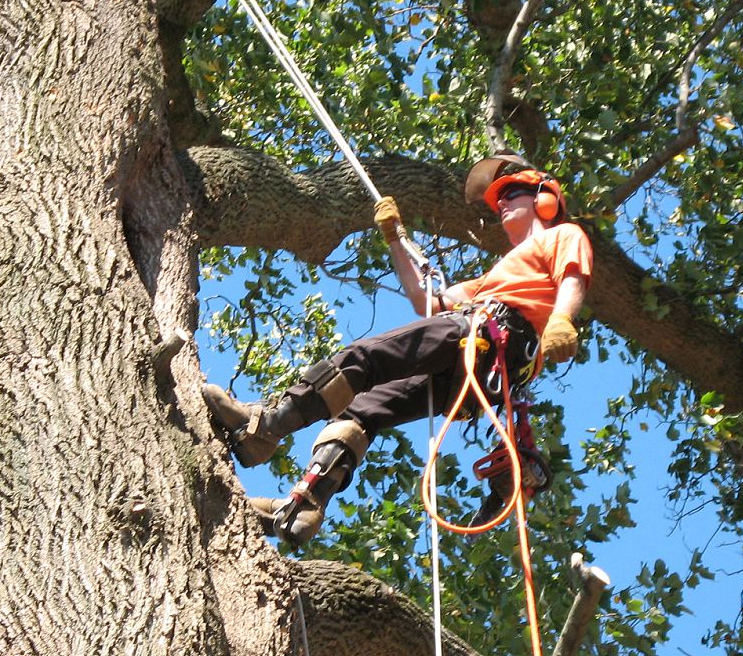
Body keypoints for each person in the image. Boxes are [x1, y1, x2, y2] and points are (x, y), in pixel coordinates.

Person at [204, 153, 593, 545]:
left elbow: (571, 278)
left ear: (545, 197)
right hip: (477, 367)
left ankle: (266, 427)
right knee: (361, 410)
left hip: (489, 339)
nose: (501, 203)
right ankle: (304, 505)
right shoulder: (497, 276)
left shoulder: (563, 236)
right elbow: (428, 304)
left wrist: (561, 320)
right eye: (498, 200)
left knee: (363, 359)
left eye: (511, 193)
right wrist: (394, 240)